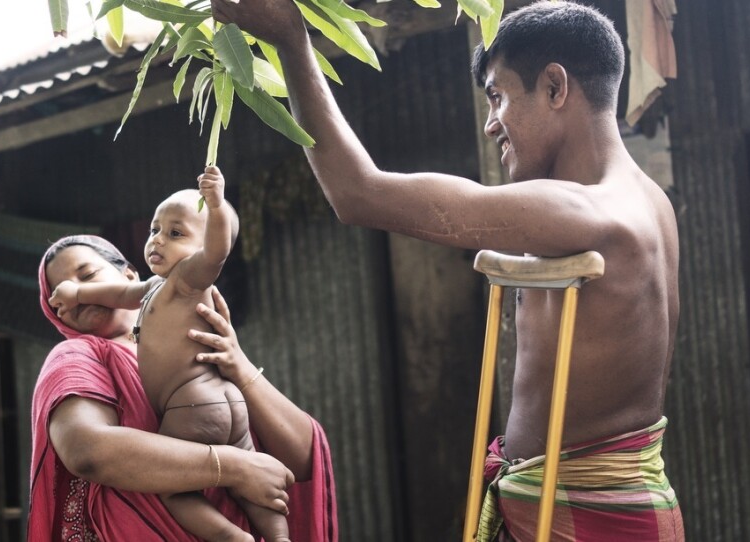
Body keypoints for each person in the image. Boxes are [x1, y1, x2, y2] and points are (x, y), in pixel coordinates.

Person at [209, 0, 684, 540]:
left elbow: (358, 193)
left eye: (498, 97)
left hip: (585, 519)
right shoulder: (649, 201)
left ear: (555, 87)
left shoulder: (587, 211)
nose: (489, 125)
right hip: (597, 505)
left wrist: (291, 41)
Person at [29, 234, 338, 541]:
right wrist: (234, 467)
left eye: (86, 275)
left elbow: (302, 463)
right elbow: (87, 450)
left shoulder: (200, 343)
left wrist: (238, 364)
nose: (74, 294)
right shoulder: (77, 356)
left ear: (129, 275)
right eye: (59, 297)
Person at [47, 167, 288, 541]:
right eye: (154, 230)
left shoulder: (189, 277)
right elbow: (118, 295)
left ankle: (230, 538)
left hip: (191, 404)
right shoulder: (149, 293)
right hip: (226, 402)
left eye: (175, 233)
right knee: (252, 476)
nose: (158, 240)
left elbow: (217, 250)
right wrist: (78, 294)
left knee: (178, 491)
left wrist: (217, 205)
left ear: (126, 273)